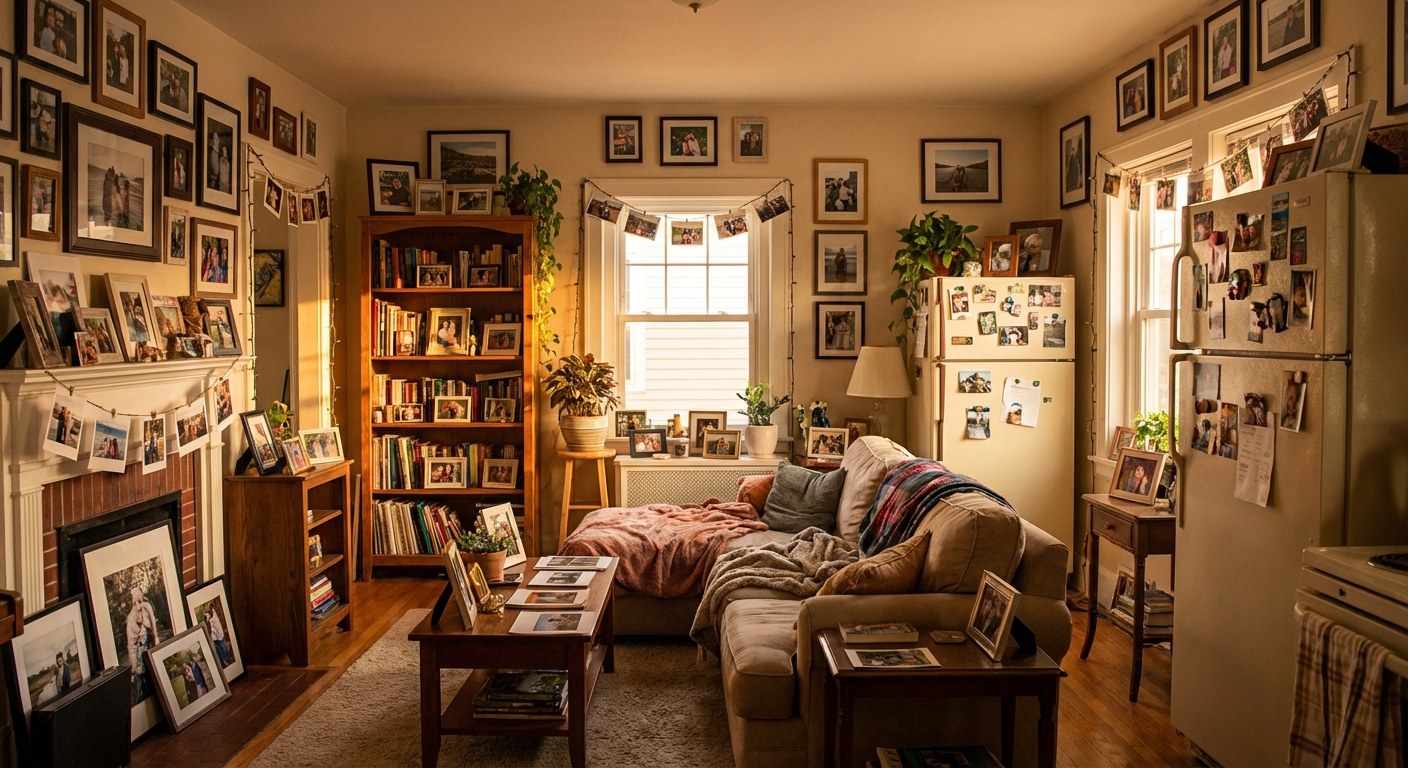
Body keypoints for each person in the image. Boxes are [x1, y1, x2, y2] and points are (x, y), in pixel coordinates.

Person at [126, 587, 158, 702]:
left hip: (149, 646)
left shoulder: (147, 607)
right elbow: (131, 644)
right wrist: (134, 665)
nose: (139, 604)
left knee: (152, 671)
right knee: (141, 674)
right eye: (136, 602)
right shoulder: (131, 618)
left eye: (140, 601)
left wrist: (155, 636)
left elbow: (153, 622)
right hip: (140, 651)